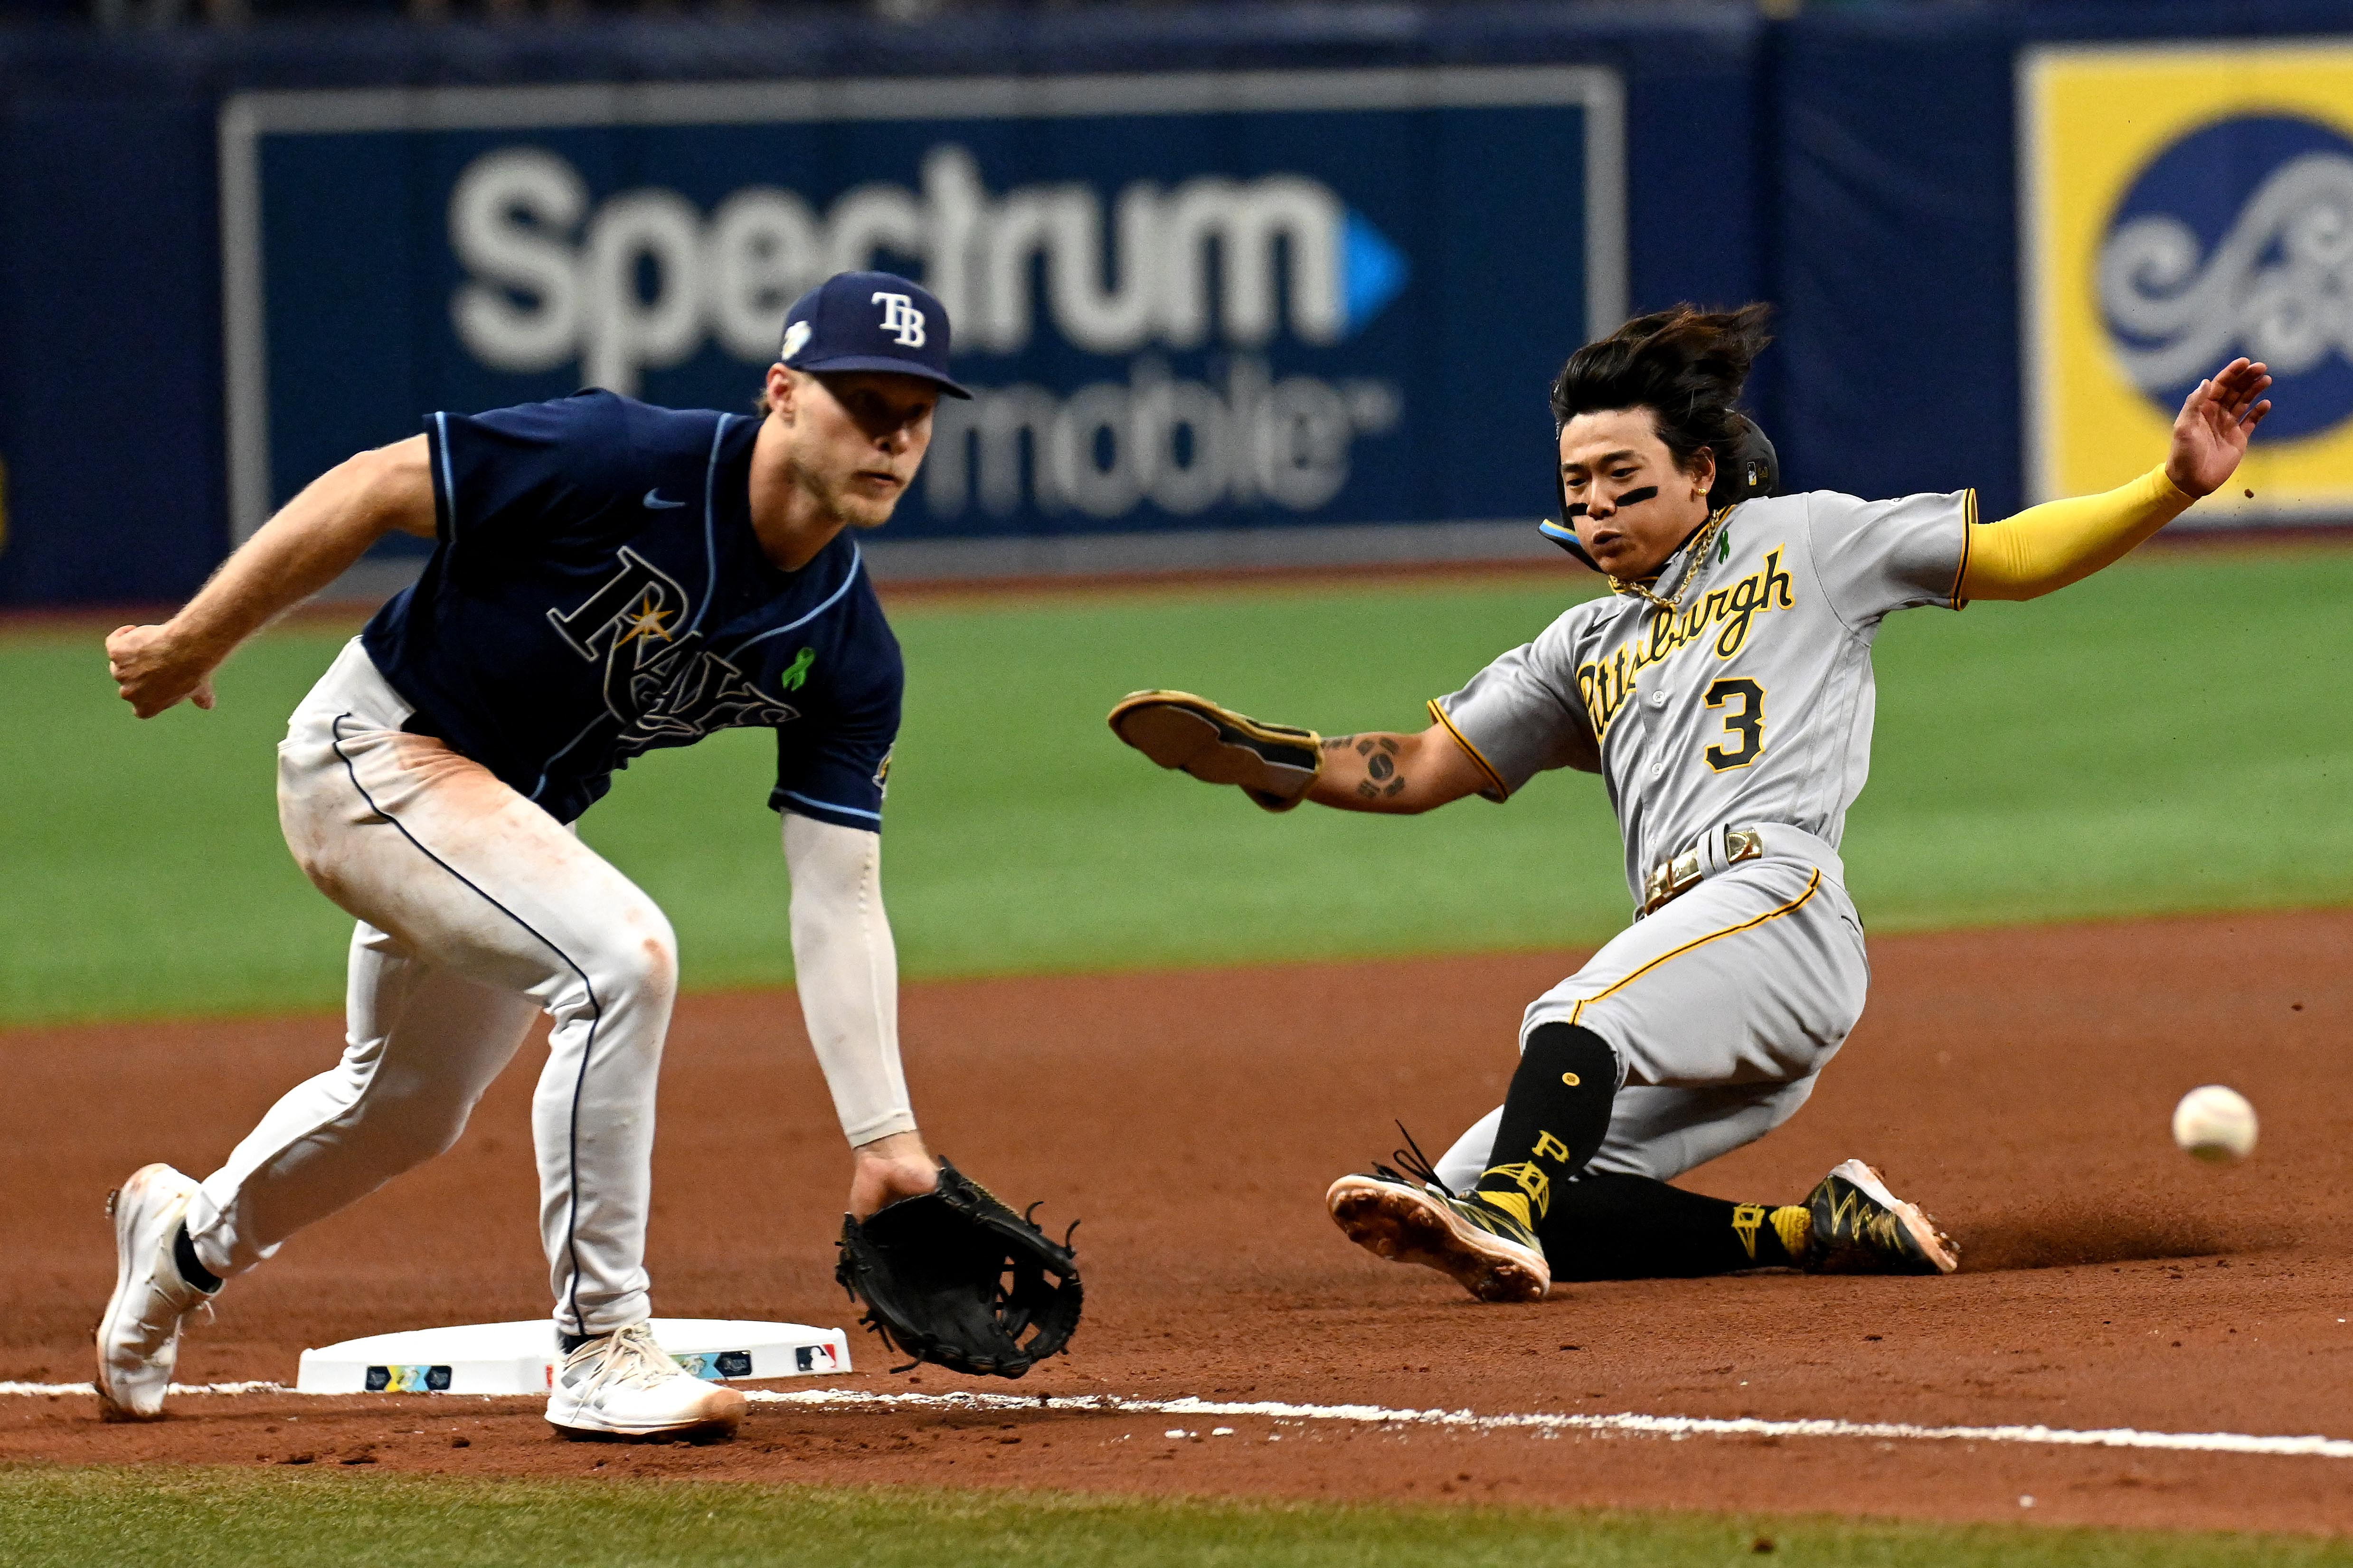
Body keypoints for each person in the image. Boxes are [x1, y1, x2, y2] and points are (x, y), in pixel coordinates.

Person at [1109, 304, 2270, 1301]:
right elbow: (1418, 767)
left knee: (1568, 1019)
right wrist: (1275, 764)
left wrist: (2169, 484)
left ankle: (1510, 1212)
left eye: (1627, 477)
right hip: (1698, 964)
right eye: (1579, 484)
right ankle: (1816, 1229)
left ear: (1702, 472)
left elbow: (2011, 553)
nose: (1599, 503)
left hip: (1780, 906)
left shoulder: (1805, 540)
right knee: (1459, 1188)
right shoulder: (1580, 643)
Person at [99, 272, 968, 1434]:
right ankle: (604, 1342)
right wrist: (192, 638)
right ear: (783, 395)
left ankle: (178, 1248)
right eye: (864, 398)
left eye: (917, 410)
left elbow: (838, 895)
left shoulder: (850, 652)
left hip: (494, 826)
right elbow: (373, 487)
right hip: (374, 753)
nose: (894, 434)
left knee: (405, 1106)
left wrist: (887, 1140)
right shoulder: (624, 456)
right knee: (624, 961)